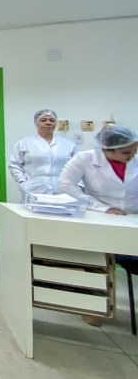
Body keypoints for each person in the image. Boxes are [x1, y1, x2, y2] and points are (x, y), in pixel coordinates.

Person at [58, 125, 138, 326]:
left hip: (132, 220)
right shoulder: (85, 159)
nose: (131, 156)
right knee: (95, 261)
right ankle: (93, 306)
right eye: (126, 152)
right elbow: (66, 184)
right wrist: (100, 207)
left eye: (134, 151)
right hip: (98, 219)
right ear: (107, 149)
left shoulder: (135, 161)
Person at [8, 109, 76, 200]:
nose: (48, 123)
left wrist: (78, 185)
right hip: (33, 190)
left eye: (52, 120)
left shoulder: (68, 144)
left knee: (63, 208)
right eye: (43, 120)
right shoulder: (24, 143)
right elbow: (14, 164)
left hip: (63, 192)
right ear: (36, 123)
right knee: (34, 209)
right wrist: (22, 182)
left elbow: (77, 167)